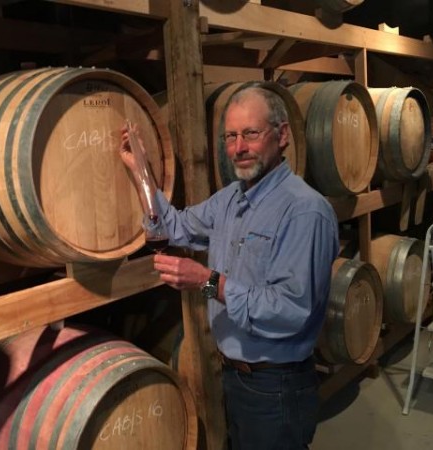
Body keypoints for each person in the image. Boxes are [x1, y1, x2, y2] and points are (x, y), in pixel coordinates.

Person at [120, 83, 339, 450]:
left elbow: (290, 310)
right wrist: (141, 171)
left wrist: (207, 281)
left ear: (282, 135)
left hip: (276, 387)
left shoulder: (305, 212)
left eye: (251, 134)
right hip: (236, 378)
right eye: (230, 137)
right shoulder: (229, 201)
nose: (239, 148)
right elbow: (170, 226)